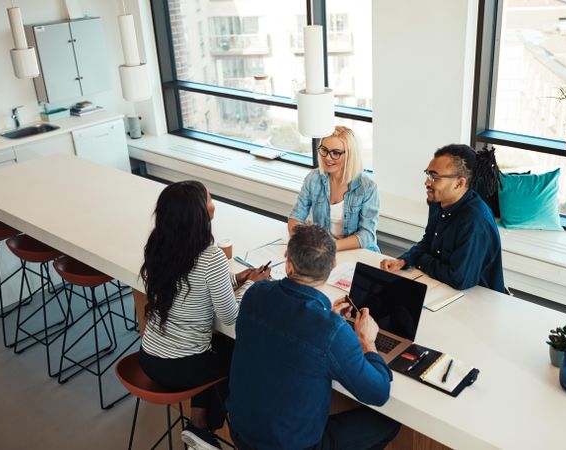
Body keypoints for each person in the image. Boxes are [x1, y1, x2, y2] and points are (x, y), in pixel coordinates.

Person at [227, 224, 400, 450]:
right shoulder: (332, 330)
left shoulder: (254, 293)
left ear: (288, 265)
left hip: (241, 433)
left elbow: (281, 338)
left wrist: (327, 318)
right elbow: (378, 392)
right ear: (333, 266)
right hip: (289, 446)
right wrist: (367, 342)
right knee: (387, 423)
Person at [138, 181, 270, 450]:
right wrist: (252, 285)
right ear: (200, 214)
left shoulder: (158, 247)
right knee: (236, 351)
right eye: (210, 199)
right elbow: (231, 316)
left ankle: (198, 426)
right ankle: (226, 434)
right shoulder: (211, 257)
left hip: (148, 357)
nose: (214, 204)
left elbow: (190, 284)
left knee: (216, 348)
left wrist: (237, 278)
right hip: (182, 368)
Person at [380, 144, 507, 294]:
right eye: (428, 174)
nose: (427, 182)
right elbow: (428, 241)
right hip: (442, 287)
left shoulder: (475, 221)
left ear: (459, 183)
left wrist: (421, 260)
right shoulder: (438, 203)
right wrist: (404, 261)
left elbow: (459, 279)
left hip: (477, 299)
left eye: (435, 177)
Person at [288, 126, 380, 252]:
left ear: (350, 155)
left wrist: (328, 248)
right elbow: (296, 217)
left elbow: (367, 235)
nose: (328, 158)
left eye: (336, 153)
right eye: (324, 150)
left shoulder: (367, 187)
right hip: (322, 252)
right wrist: (299, 243)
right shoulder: (314, 178)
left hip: (357, 252)